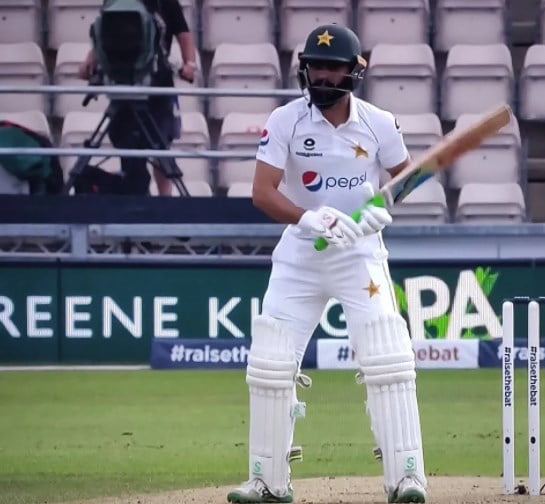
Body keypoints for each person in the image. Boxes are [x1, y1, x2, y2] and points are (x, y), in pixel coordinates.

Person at [227, 24, 427, 504]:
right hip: (301, 254)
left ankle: (407, 478)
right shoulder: (285, 120)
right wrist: (307, 218)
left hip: (360, 253)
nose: (322, 76)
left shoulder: (379, 123)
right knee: (271, 362)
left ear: (354, 72)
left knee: (387, 358)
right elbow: (262, 192)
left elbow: (407, 177)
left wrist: (380, 209)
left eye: (332, 68)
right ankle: (267, 481)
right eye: (315, 67)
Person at [78, 0, 197, 195]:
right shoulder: (113, 2)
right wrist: (90, 61)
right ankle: (135, 196)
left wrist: (190, 64)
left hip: (158, 87)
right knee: (128, 146)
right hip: (122, 84)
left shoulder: (166, 2)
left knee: (160, 145)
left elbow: (183, 33)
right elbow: (106, 36)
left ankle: (165, 200)